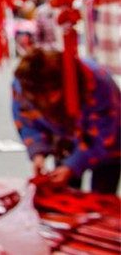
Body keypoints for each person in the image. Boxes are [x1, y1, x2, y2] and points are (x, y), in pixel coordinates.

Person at [13, 48, 120, 194]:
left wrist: (73, 165)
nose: (45, 100)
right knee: (64, 193)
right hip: (65, 144)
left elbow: (105, 135)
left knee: (102, 198)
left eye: (49, 94)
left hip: (108, 148)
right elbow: (26, 120)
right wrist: (38, 154)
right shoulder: (24, 85)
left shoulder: (99, 82)